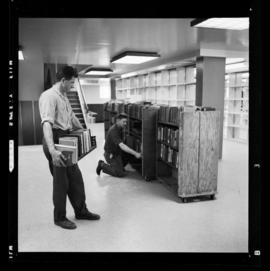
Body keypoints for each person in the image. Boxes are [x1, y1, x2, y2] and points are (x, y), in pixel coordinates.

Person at [39, 65, 100, 230]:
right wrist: (52, 150)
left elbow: (72, 116)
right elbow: (46, 124)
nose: (72, 86)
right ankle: (59, 217)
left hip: (65, 137)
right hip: (55, 139)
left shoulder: (64, 96)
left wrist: (83, 131)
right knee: (61, 181)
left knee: (75, 178)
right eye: (71, 83)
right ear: (63, 80)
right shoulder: (49, 96)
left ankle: (81, 211)